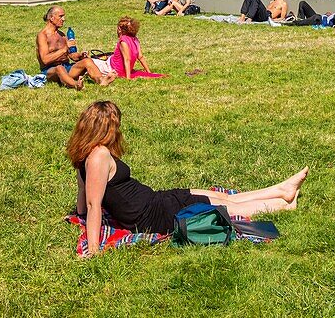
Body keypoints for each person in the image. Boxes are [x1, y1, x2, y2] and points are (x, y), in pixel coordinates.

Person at [67, 100, 309, 255]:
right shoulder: (98, 155)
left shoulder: (85, 155)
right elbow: (92, 204)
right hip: (153, 215)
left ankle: (281, 188)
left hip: (154, 201)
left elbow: (82, 203)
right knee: (226, 206)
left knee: (216, 195)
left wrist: (81, 216)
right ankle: (281, 203)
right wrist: (95, 249)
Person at [36, 6, 114, 89]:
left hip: (67, 67)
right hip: (50, 71)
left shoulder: (62, 35)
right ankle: (76, 85)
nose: (63, 19)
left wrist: (80, 56)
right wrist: (64, 49)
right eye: (60, 16)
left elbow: (71, 56)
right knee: (59, 68)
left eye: (63, 16)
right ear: (51, 18)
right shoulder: (42, 35)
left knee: (87, 61)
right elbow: (45, 60)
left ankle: (101, 80)